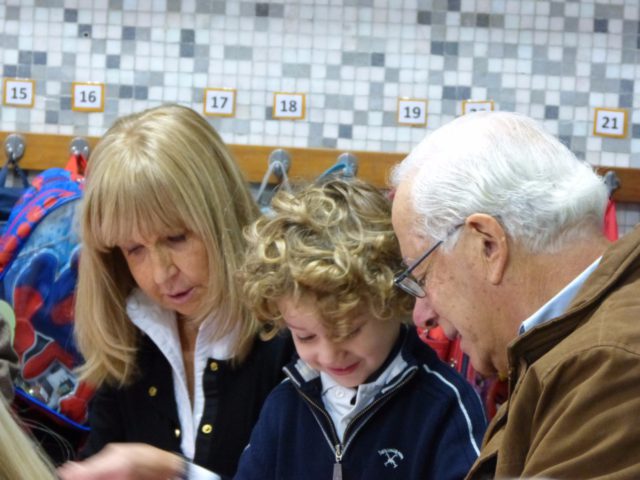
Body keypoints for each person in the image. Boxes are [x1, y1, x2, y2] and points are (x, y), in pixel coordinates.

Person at [390, 110, 640, 479]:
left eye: (422, 276)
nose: (422, 315)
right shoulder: (566, 342)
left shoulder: (611, 364)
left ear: (487, 245)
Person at [57, 104, 294, 480]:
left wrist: (174, 471)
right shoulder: (131, 332)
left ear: (223, 216)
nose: (161, 273)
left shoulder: (295, 332)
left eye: (176, 237)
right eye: (134, 249)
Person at [235, 177, 486, 479]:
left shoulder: (445, 406)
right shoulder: (284, 406)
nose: (329, 355)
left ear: (394, 300)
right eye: (306, 336)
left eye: (349, 332)